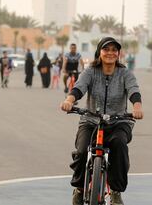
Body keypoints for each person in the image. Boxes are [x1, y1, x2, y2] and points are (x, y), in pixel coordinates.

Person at [60, 37, 144, 205]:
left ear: (118, 54)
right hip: (91, 120)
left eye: (114, 50)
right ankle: (79, 189)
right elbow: (79, 87)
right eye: (107, 49)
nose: (111, 53)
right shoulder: (90, 71)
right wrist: (69, 100)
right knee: (82, 151)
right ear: (99, 52)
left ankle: (115, 192)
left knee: (120, 146)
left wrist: (137, 106)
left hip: (118, 122)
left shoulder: (125, 73)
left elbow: (133, 90)